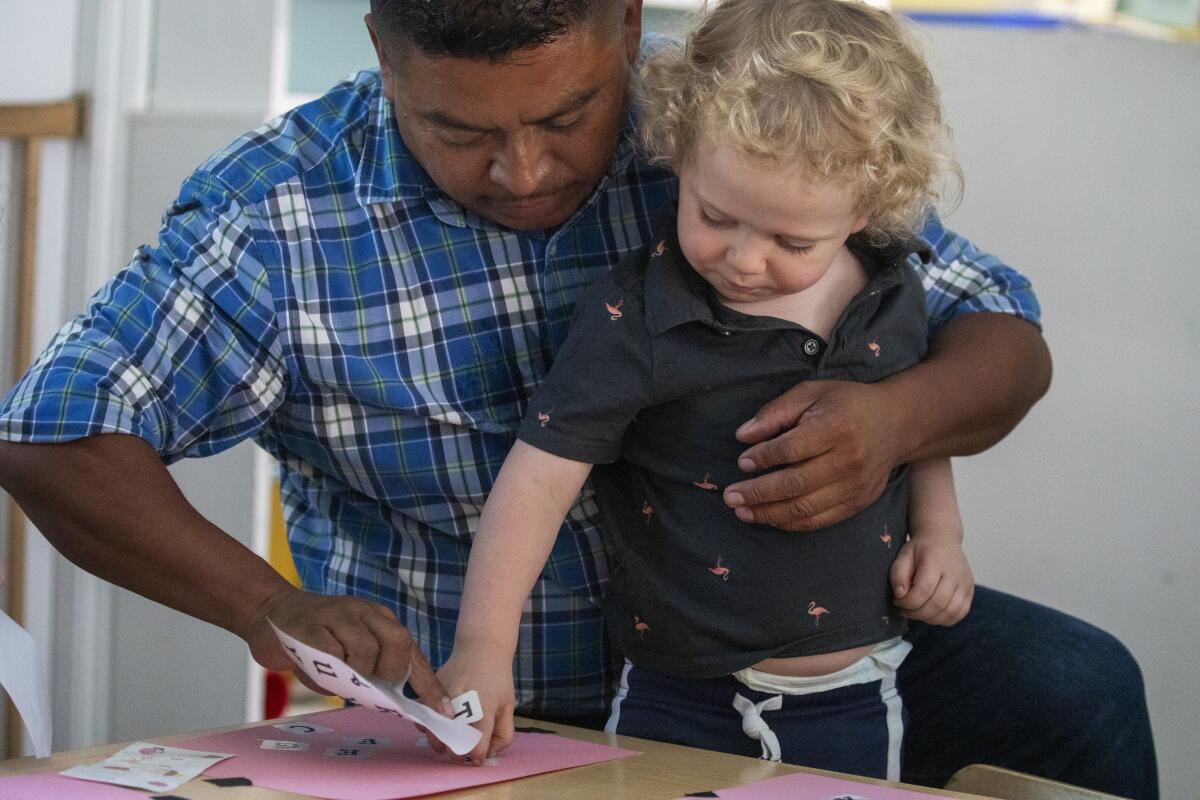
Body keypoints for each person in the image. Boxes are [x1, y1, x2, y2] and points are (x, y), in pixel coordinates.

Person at [0, 1, 1154, 796]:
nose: (525, 170)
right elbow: (51, 434)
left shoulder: (731, 122)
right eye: (454, 129)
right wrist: (265, 604)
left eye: (565, 116)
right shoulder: (277, 215)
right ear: (379, 52)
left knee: (1077, 686)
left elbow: (1001, 332)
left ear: (627, 23)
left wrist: (899, 421)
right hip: (490, 700)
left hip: (803, 644)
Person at [435, 0, 975, 778]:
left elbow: (922, 427)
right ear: (679, 155)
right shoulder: (638, 315)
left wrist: (942, 532)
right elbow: (536, 483)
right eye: (716, 216)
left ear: (865, 207)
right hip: (674, 693)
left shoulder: (891, 289)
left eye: (794, 242)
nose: (745, 263)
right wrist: (483, 650)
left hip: (855, 690)